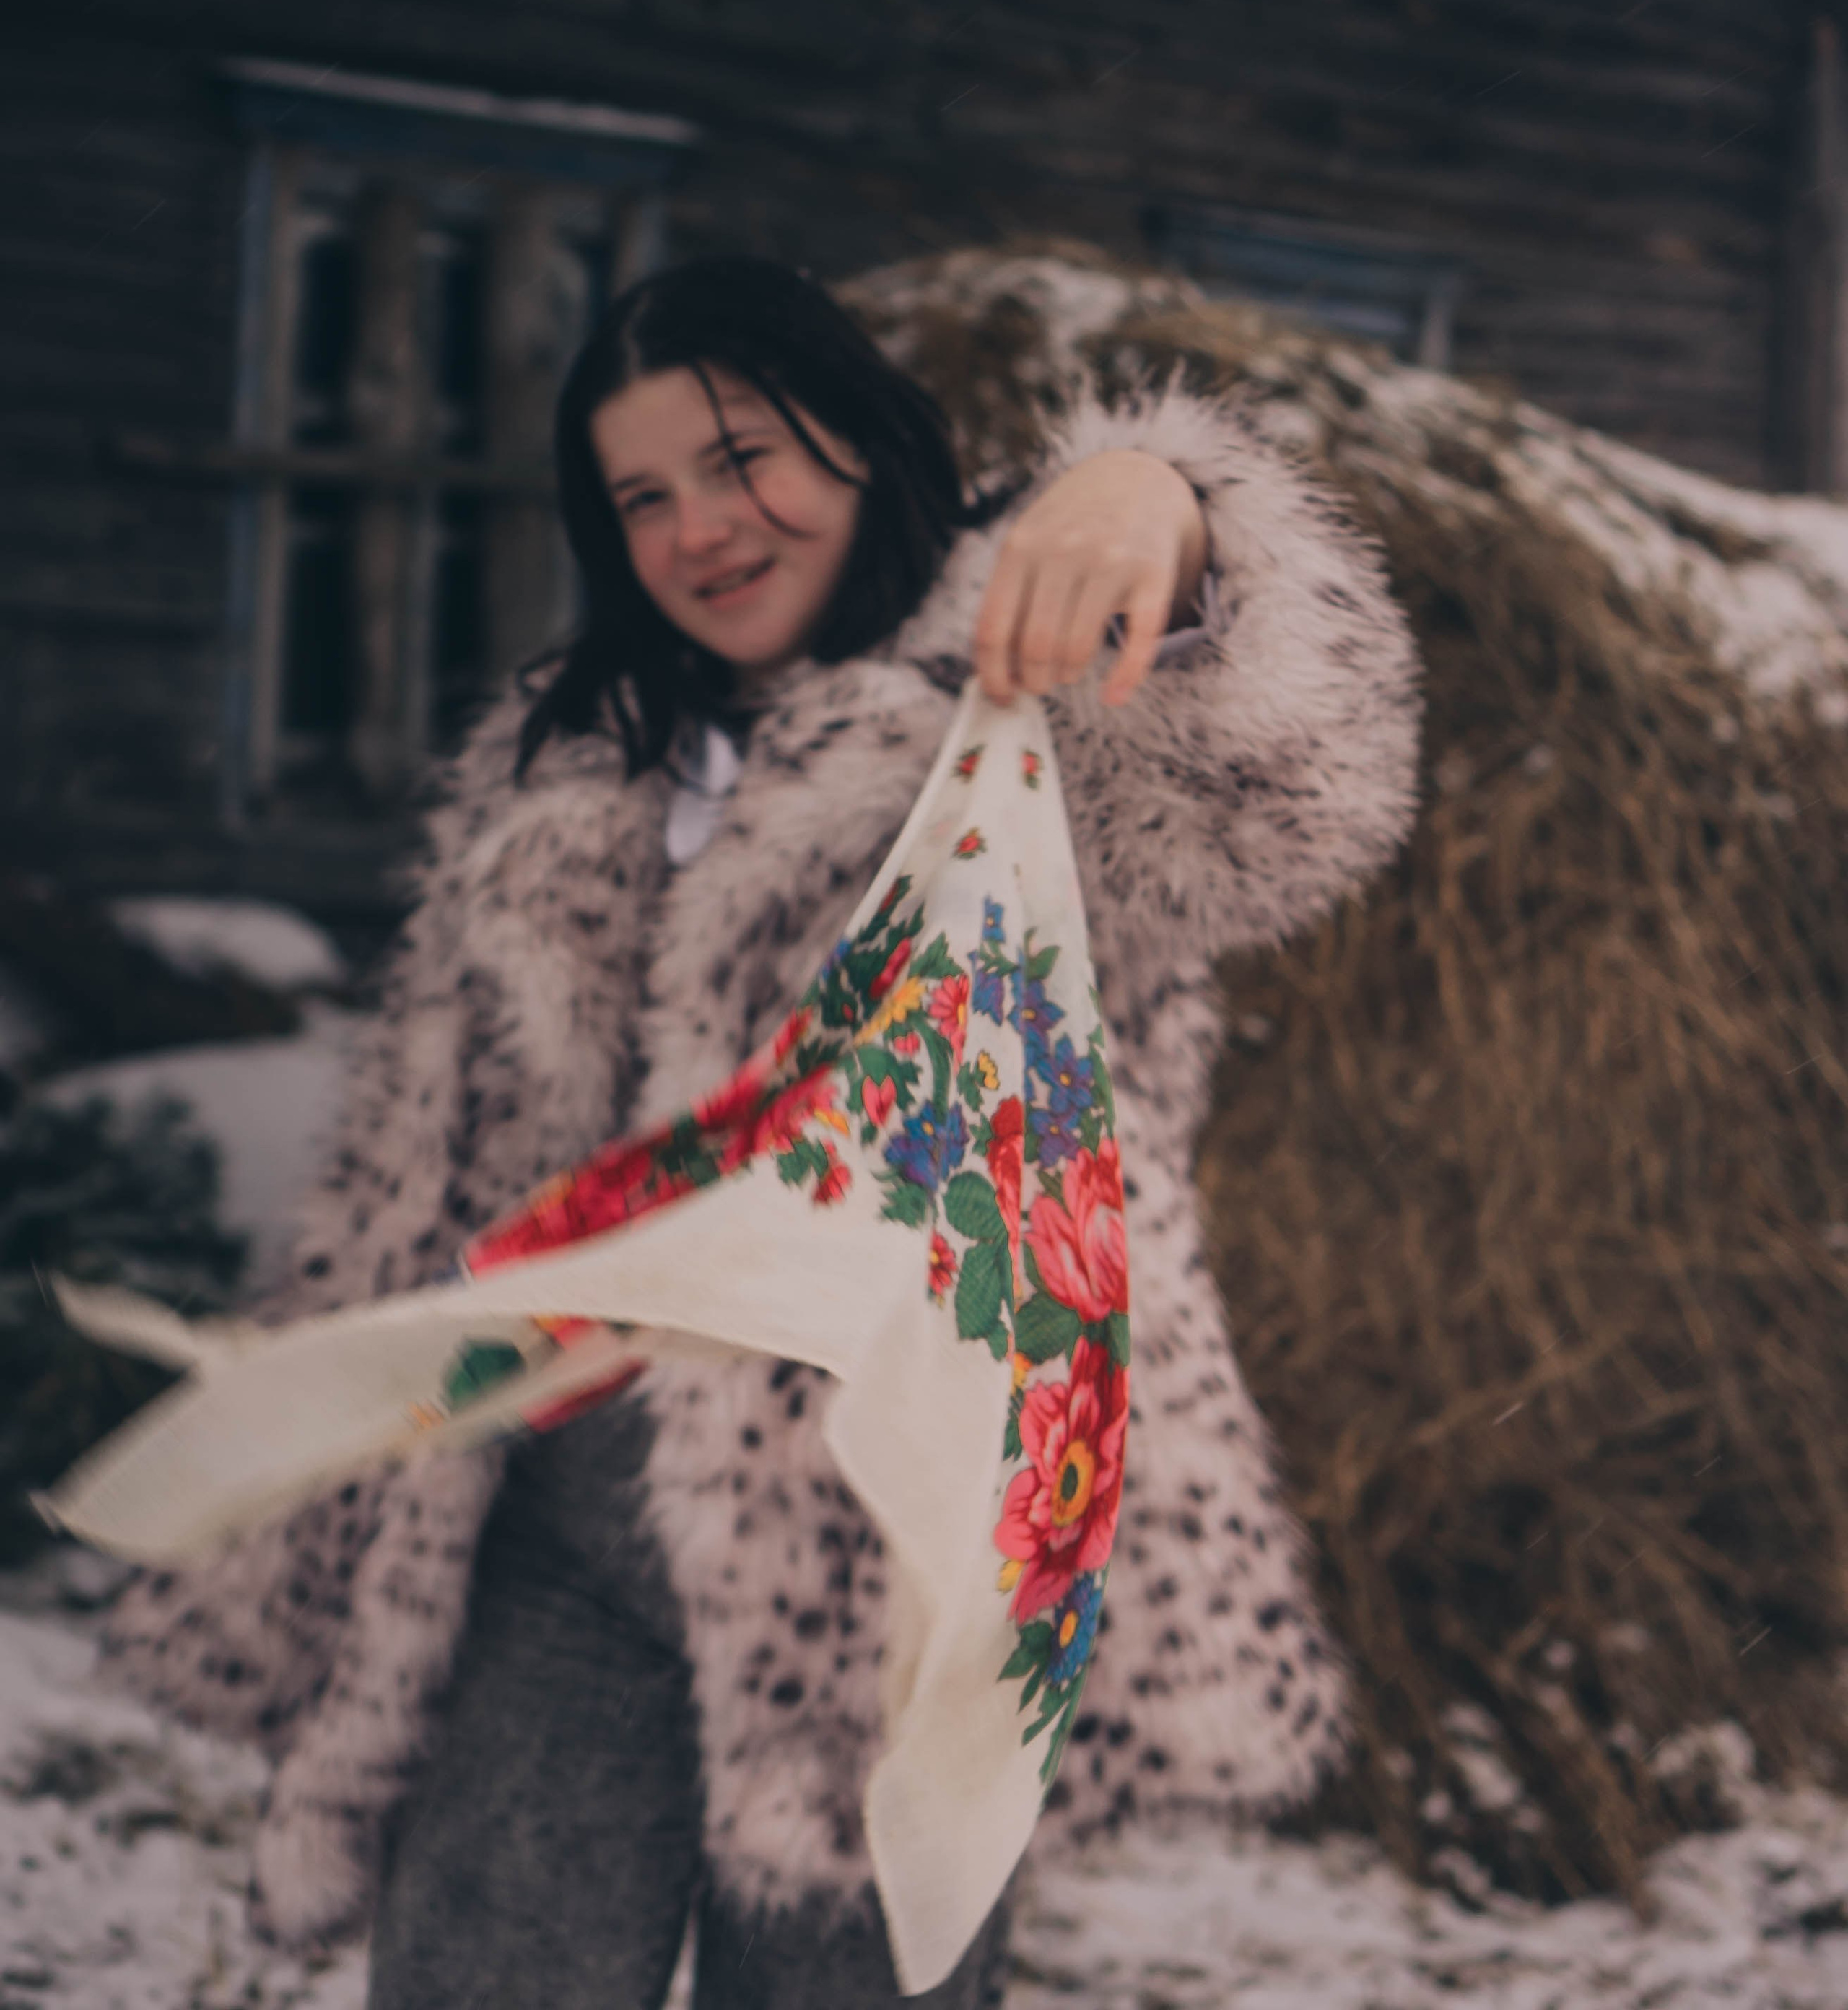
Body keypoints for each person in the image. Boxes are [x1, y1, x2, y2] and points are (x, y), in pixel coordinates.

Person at [104, 255, 1421, 2009]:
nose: (699, 528)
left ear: (859, 438)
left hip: (879, 1538)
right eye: (641, 496)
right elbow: (410, 1176)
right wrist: (319, 1490)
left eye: (741, 460)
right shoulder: (562, 761)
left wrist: (1163, 496)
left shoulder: (1027, 716)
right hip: (543, 1515)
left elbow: (1290, 784)